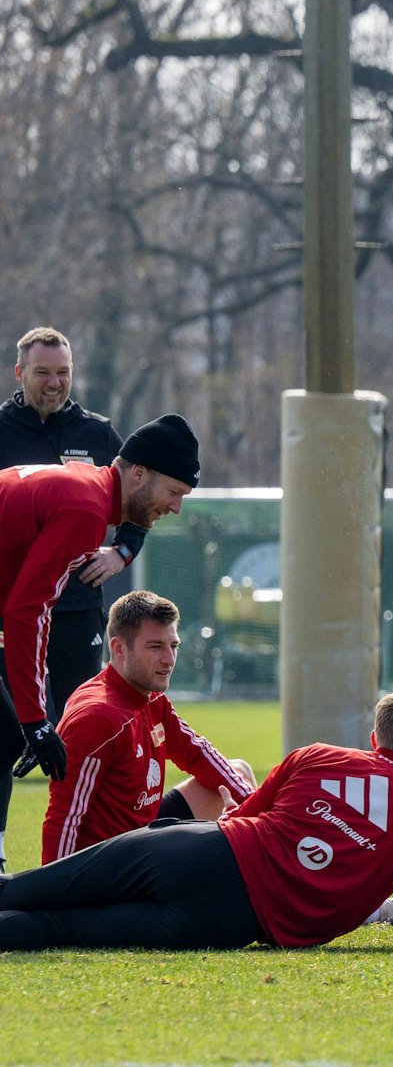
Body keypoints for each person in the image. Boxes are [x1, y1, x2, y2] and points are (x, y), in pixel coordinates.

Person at [0, 688, 393, 950]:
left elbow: (245, 811)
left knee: (22, 888)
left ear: (374, 737)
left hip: (195, 850)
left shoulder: (315, 755)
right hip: (227, 919)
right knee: (54, 929)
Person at [0, 412, 199, 866]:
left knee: (5, 735)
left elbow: (35, 608)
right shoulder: (86, 508)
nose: (175, 507)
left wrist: (37, 716)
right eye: (174, 492)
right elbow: (24, 612)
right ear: (139, 473)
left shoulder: (87, 486)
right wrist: (36, 720)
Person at [0, 328, 148, 724]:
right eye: (42, 372)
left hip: (76, 604)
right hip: (12, 606)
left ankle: (72, 787)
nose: (54, 383)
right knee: (9, 733)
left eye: (63, 372)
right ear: (19, 372)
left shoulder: (97, 432)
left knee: (79, 723)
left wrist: (122, 552)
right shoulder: (2, 429)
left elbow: (144, 497)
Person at [42, 590, 255, 864]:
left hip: (144, 833)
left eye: (173, 646)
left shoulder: (151, 697)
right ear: (119, 649)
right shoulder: (98, 717)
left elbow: (197, 753)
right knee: (223, 865)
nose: (169, 659)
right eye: (156, 647)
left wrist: (263, 810)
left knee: (239, 773)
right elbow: (64, 819)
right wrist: (50, 891)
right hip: (117, 865)